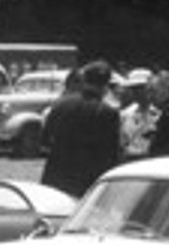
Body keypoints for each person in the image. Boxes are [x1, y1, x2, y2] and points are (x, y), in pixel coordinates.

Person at [40, 61, 121, 197]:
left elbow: (45, 142)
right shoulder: (108, 113)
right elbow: (111, 155)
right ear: (106, 86)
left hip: (55, 180)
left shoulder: (60, 105)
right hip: (87, 186)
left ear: (84, 80)